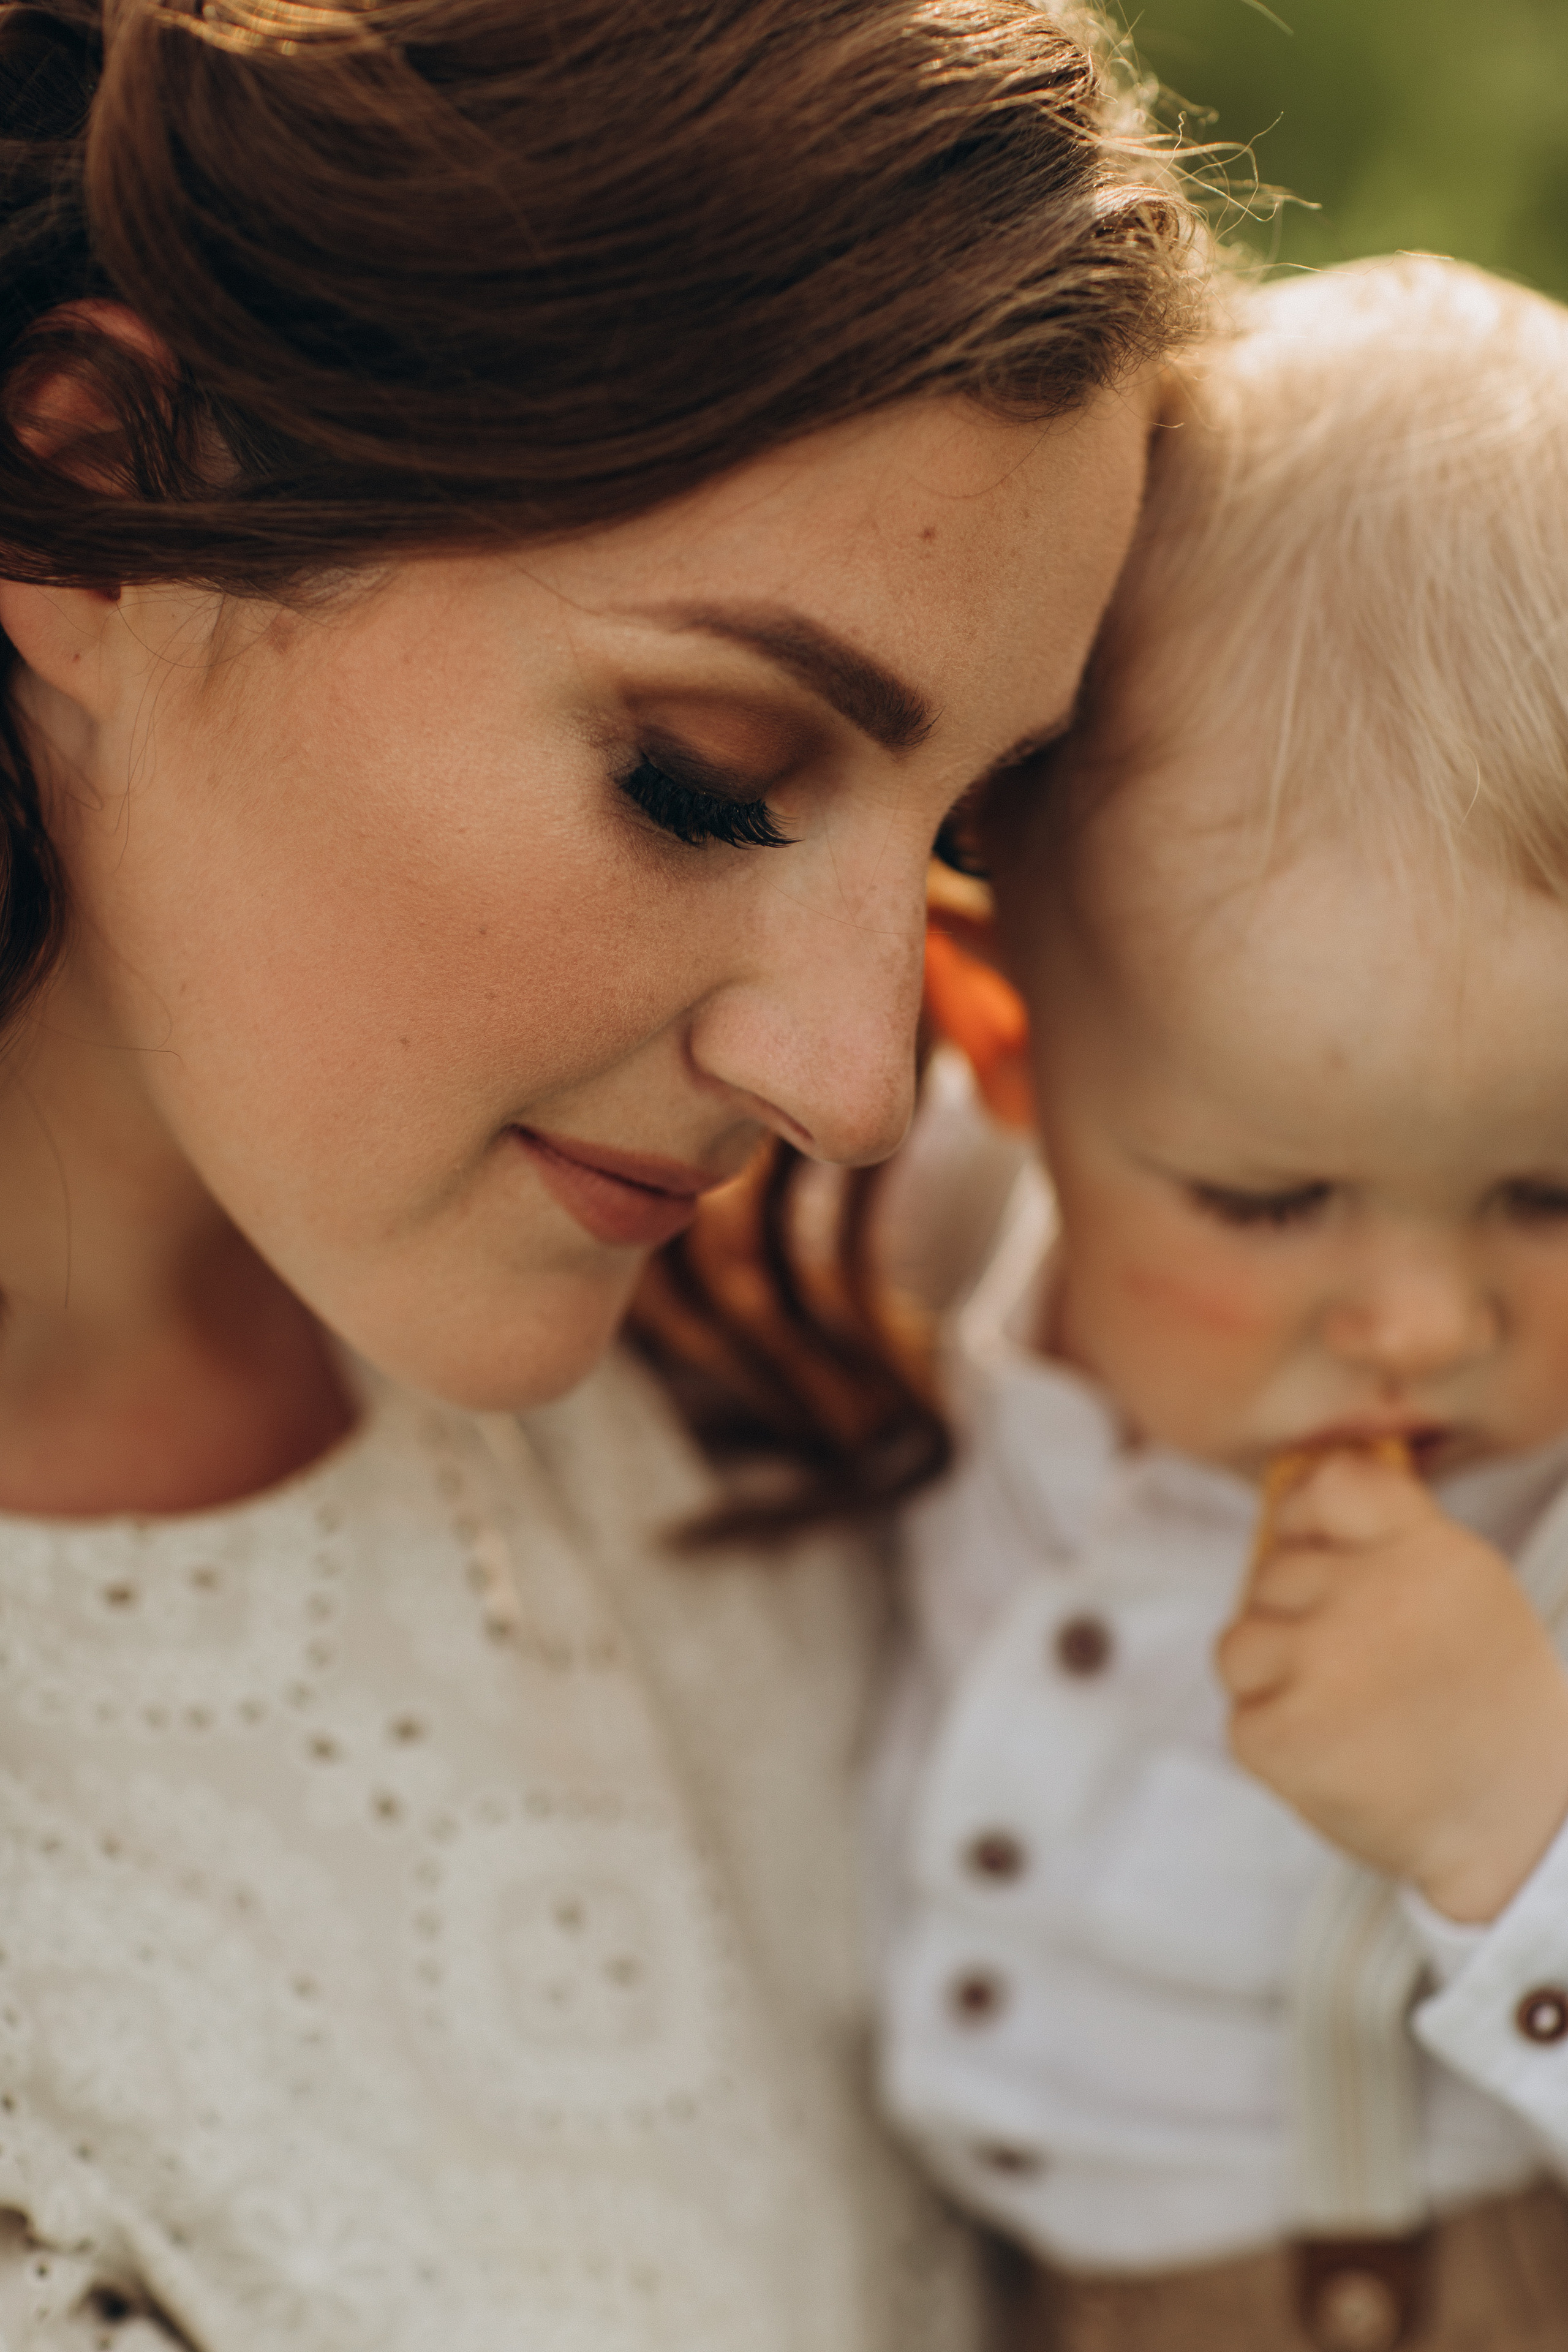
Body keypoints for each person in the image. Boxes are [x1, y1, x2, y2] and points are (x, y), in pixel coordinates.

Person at [0, 1, 1201, 2343]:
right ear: (96, 492)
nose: (857, 1079)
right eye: (706, 774)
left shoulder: (901, 1347)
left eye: (958, 831)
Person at [877, 255, 1568, 2352]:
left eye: (1558, 1188)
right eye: (1271, 1200)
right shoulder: (929, 1236)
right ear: (1003, 1040)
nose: (1428, 1322)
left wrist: (1509, 1818)